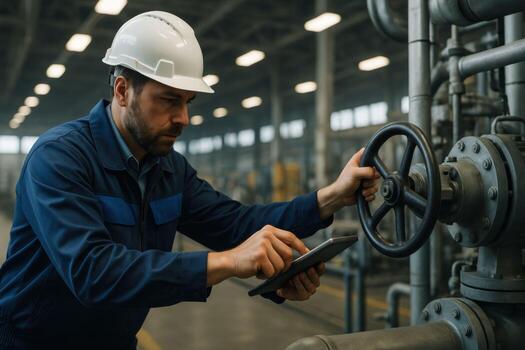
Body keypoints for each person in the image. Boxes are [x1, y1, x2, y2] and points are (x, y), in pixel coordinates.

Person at [0, 11, 379, 349]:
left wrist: (331, 198)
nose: (183, 118)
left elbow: (236, 225)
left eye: (187, 102)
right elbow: (93, 272)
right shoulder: (61, 157)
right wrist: (229, 261)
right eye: (169, 100)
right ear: (122, 91)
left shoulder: (168, 169)